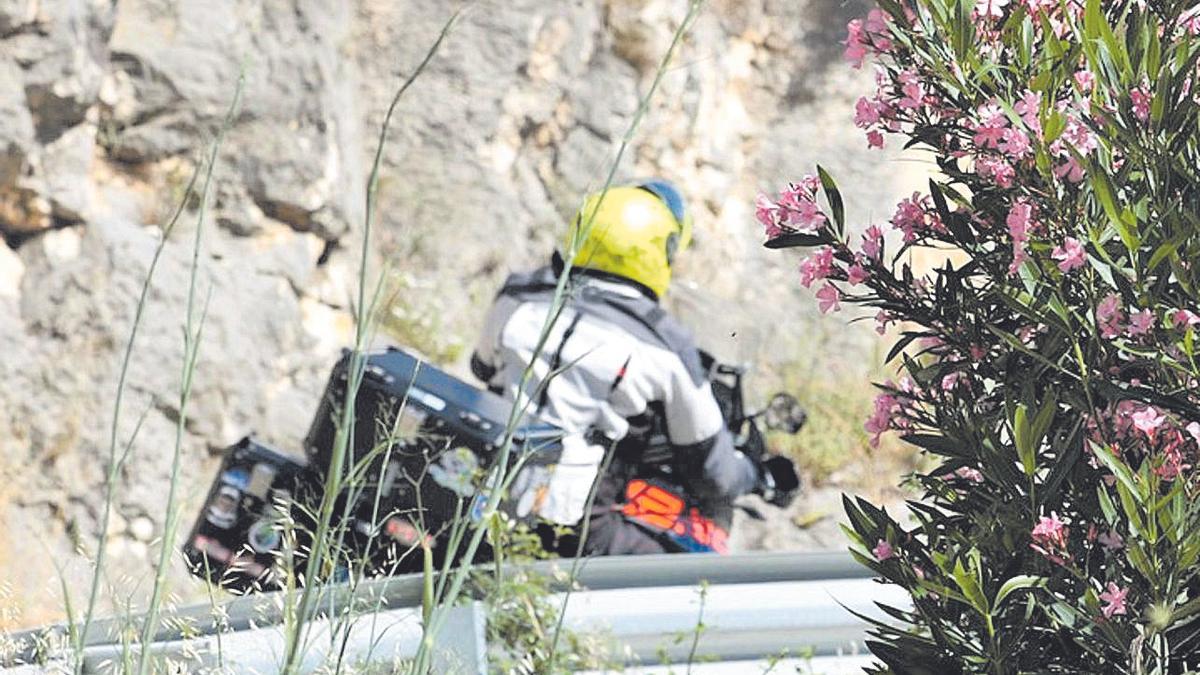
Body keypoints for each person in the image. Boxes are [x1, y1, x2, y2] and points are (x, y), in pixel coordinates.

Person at [469, 180, 797, 555]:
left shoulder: (517, 295)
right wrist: (757, 476)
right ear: (659, 252)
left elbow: (482, 367)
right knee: (695, 575)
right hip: (570, 531)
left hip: (479, 492)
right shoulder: (663, 345)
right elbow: (714, 473)